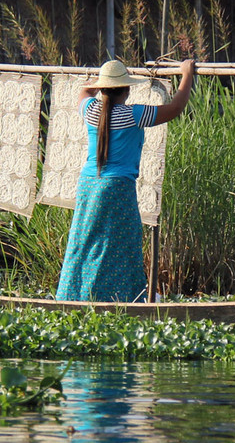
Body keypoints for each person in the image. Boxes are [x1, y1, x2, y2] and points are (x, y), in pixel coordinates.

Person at [55, 57, 197, 302]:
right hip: (117, 187)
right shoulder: (133, 115)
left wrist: (98, 84)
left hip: (89, 184)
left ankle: (74, 294)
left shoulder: (91, 109)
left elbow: (84, 91)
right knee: (122, 244)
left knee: (85, 240)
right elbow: (174, 109)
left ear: (103, 89)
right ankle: (123, 296)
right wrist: (187, 74)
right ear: (127, 89)